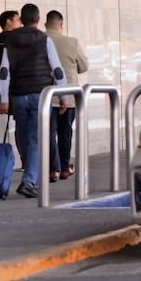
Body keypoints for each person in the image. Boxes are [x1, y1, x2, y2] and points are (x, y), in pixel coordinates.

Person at [0, 3, 67, 199]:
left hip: (18, 95)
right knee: (35, 138)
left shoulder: (10, 40)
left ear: (22, 19)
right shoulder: (44, 39)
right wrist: (62, 96)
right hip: (40, 95)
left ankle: (30, 174)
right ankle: (29, 181)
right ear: (37, 20)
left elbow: (3, 71)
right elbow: (57, 70)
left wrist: (3, 99)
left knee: (24, 136)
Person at [45, 10, 89, 182]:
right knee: (65, 133)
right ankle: (64, 167)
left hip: (46, 95)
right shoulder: (71, 42)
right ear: (61, 25)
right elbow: (84, 66)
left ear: (45, 24)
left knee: (48, 133)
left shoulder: (41, 40)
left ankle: (52, 169)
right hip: (68, 95)